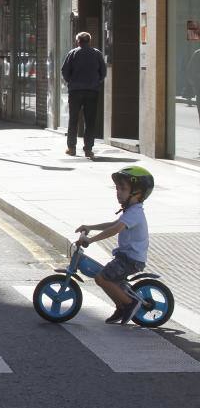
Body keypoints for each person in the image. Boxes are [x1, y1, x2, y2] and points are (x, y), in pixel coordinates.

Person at [74, 166, 154, 325]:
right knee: (104, 278)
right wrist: (90, 227)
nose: (118, 192)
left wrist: (91, 240)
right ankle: (121, 306)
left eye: (123, 188)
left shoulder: (135, 213)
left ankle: (130, 304)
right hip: (125, 257)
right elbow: (113, 223)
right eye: (117, 188)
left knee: (102, 277)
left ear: (137, 193)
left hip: (131, 260)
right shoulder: (130, 211)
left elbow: (114, 230)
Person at [61, 31, 106, 159]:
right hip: (92, 90)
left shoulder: (73, 53)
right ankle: (88, 149)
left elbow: (64, 71)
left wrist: (71, 81)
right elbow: (103, 71)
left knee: (73, 119)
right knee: (90, 120)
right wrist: (96, 82)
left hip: (75, 91)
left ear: (78, 41)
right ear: (89, 41)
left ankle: (71, 148)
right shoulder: (97, 53)